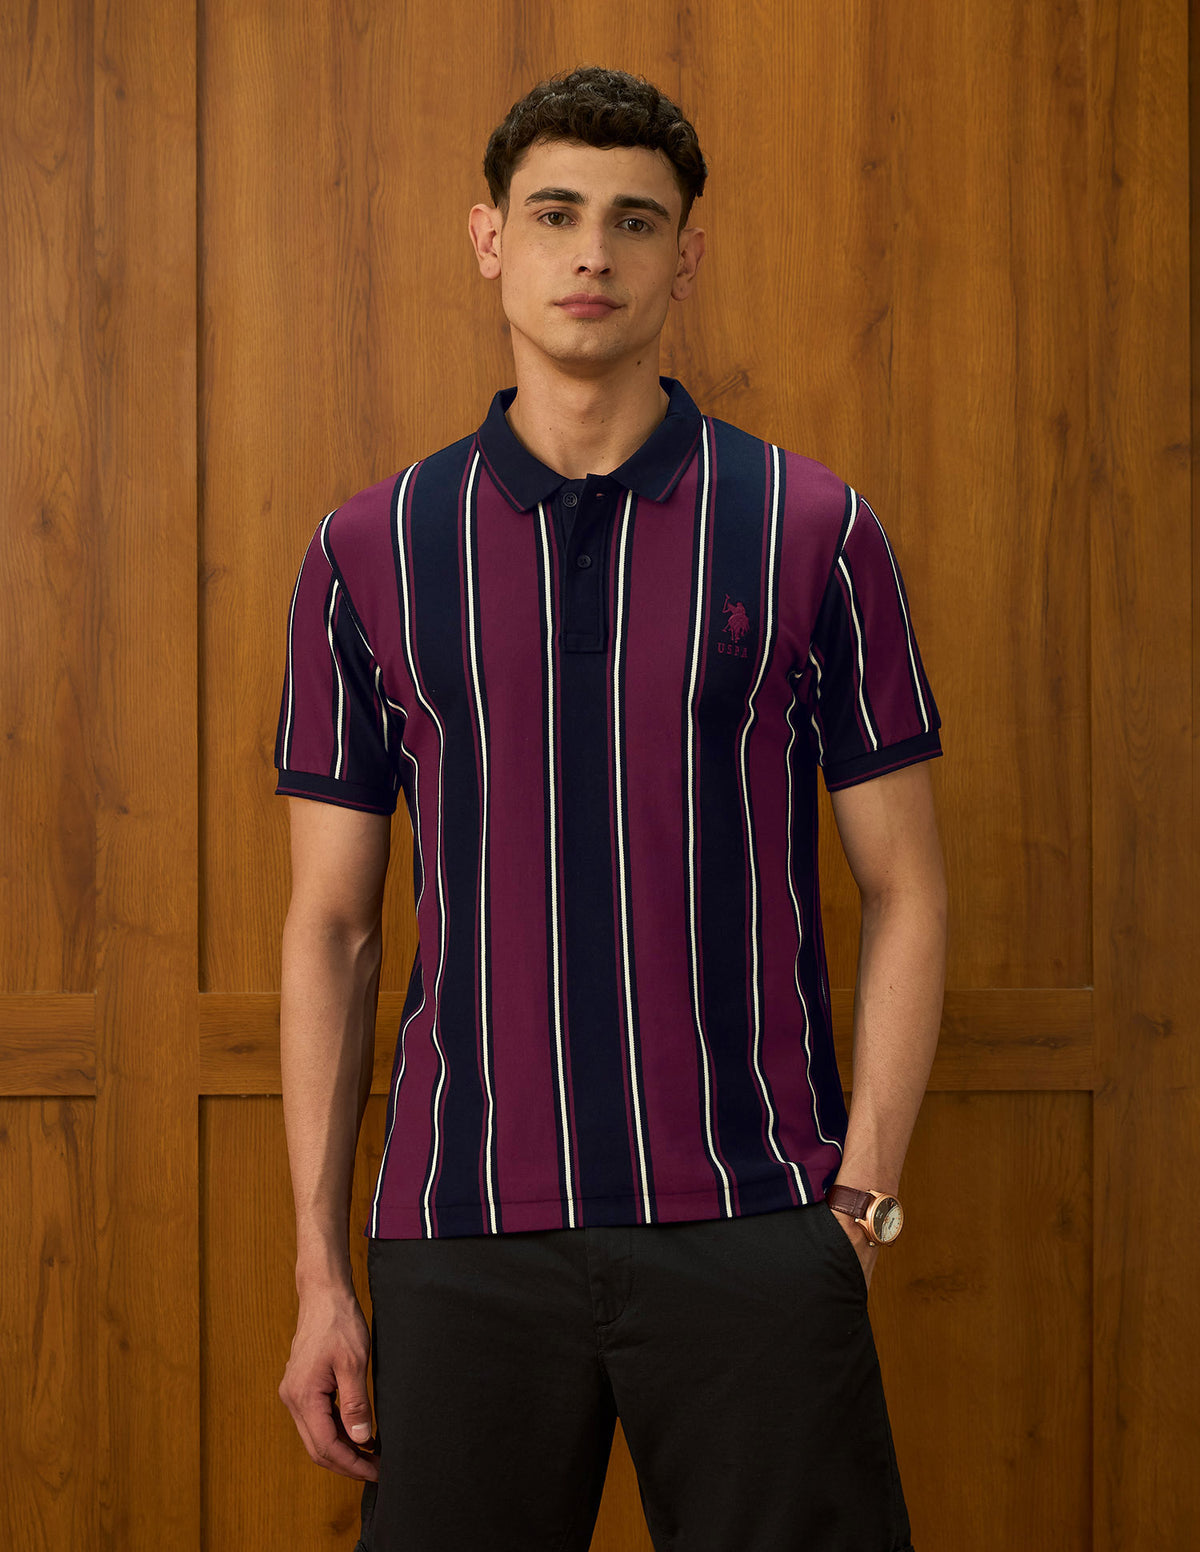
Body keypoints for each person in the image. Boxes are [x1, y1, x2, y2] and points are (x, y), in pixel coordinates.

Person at [274, 65, 947, 1552]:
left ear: (684, 256)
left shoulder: (813, 531)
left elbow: (907, 887)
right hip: (460, 1229)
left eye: (636, 221)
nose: (594, 253)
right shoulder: (369, 552)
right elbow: (331, 929)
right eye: (555, 213)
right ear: (490, 238)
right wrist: (321, 1273)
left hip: (757, 1217)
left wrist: (863, 1210)